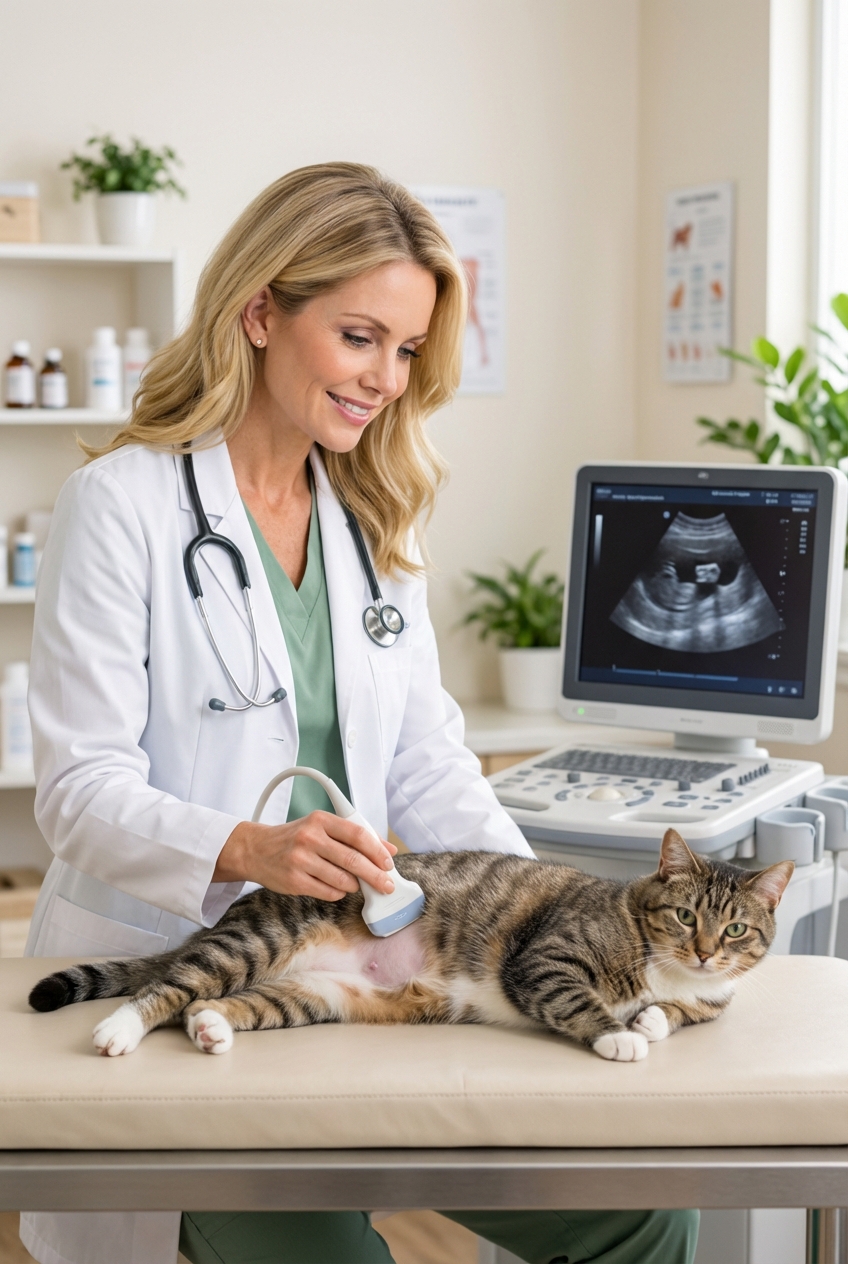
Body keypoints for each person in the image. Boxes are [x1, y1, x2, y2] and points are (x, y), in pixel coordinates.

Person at [21, 163, 699, 1264]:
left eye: (407, 350)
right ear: (258, 312)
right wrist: (246, 844)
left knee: (638, 1216)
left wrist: (555, 914)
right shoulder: (124, 506)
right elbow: (77, 789)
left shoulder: (374, 514)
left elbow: (431, 763)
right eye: (358, 337)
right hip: (190, 971)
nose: (386, 377)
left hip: (379, 971)